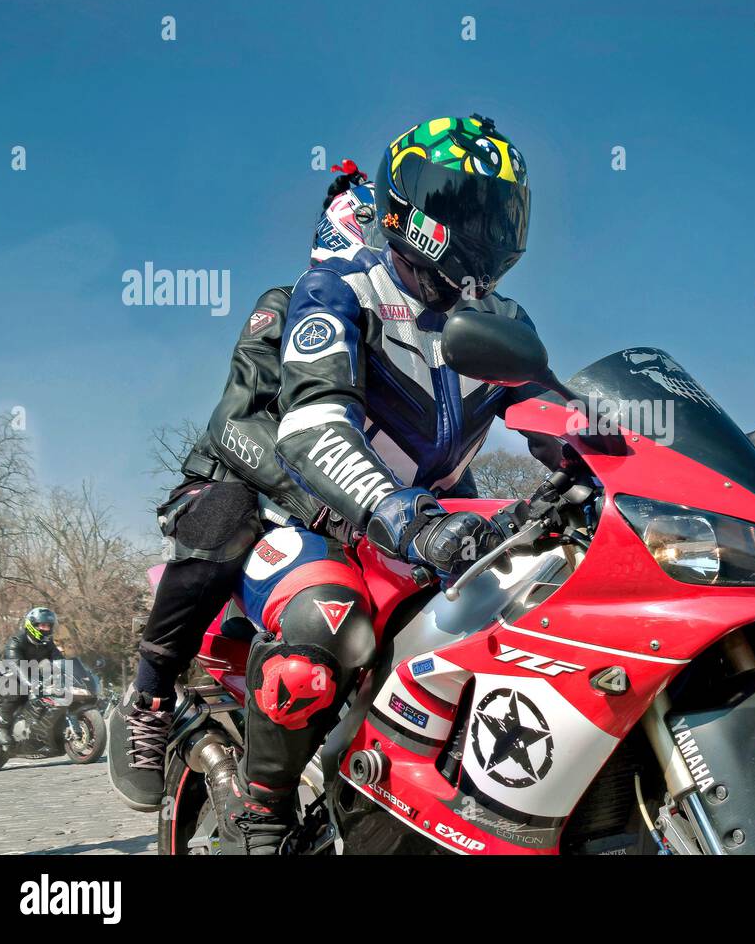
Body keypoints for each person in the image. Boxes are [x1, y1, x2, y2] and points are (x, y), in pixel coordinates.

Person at [217, 115, 556, 854]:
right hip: (319, 525)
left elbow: (558, 413)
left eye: (500, 212)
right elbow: (310, 427)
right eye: (469, 208)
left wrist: (649, 455)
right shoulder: (339, 286)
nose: (487, 228)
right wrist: (403, 514)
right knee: (328, 626)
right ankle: (260, 826)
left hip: (437, 535)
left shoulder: (501, 320)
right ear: (413, 206)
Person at [107, 163, 384, 813]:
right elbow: (232, 423)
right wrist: (318, 503)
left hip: (331, 507)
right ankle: (148, 696)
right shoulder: (286, 304)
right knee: (227, 511)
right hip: (236, 486)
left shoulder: (396, 343)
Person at [0, 608, 63, 728]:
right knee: (16, 690)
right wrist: (29, 684)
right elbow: (16, 665)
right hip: (5, 679)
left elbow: (59, 661)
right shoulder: (16, 641)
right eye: (43, 625)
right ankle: (2, 726)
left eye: (49, 626)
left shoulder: (48, 644)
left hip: (31, 679)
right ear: (32, 625)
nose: (46, 629)